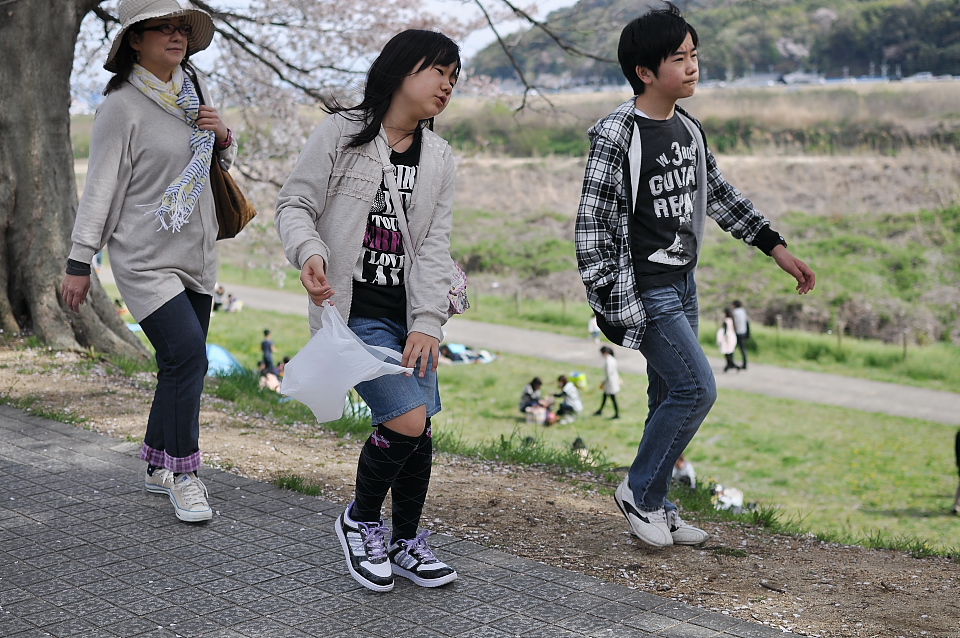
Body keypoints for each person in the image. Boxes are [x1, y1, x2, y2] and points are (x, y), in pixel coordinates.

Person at [576, 2, 816, 548]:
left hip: (684, 283)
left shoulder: (687, 127)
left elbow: (719, 193)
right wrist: (608, 300)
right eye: (679, 58)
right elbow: (592, 225)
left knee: (667, 396)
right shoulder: (618, 134)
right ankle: (639, 493)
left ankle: (657, 503)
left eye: (694, 55)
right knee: (696, 388)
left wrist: (774, 245)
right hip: (644, 288)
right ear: (644, 71)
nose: (693, 67)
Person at [275, 30, 461, 592]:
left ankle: (404, 540)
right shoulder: (342, 132)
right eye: (439, 72)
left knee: (417, 429)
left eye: (454, 78)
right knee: (406, 419)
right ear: (402, 70)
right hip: (352, 312)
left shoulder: (439, 158)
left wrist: (428, 323)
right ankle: (359, 520)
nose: (447, 85)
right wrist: (309, 252)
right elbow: (295, 203)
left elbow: (435, 248)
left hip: (410, 317)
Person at [60, 0, 233, 523]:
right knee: (190, 358)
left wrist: (223, 135)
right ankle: (185, 475)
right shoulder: (120, 107)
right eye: (163, 28)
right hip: (144, 260)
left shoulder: (194, 88)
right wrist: (80, 261)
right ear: (135, 40)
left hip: (196, 255)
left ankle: (159, 464)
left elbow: (216, 162)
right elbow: (100, 188)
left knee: (177, 363)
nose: (177, 36)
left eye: (182, 28)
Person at [593, 346, 622, 418]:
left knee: (613, 398)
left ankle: (617, 414)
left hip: (610, 383)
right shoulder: (613, 359)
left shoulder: (608, 361)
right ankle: (600, 410)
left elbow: (608, 374)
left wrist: (603, 382)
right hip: (612, 382)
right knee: (605, 397)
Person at [717, 307, 740, 372]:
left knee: (727, 352)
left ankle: (731, 365)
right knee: (730, 352)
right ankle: (729, 365)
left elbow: (725, 331)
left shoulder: (726, 321)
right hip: (733, 337)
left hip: (728, 338)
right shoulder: (732, 320)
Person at [732, 299, 750, 369]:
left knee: (732, 348)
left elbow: (734, 323)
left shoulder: (735, 312)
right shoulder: (743, 311)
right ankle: (745, 363)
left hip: (736, 332)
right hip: (743, 331)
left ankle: (731, 362)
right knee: (743, 349)